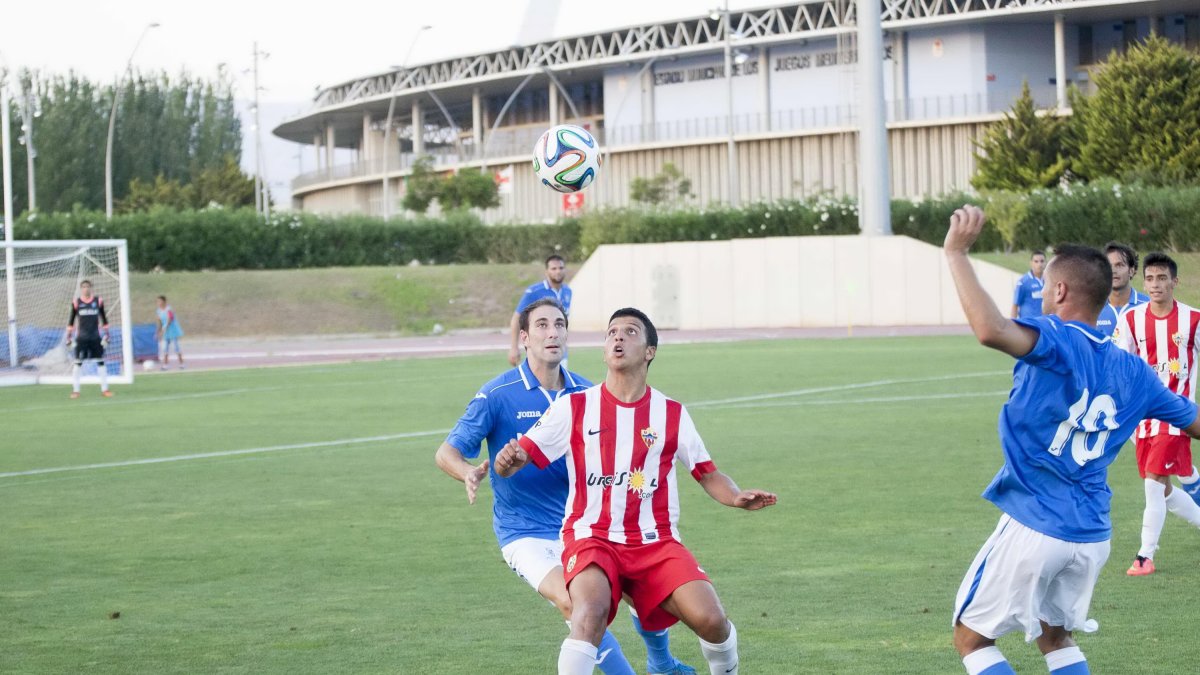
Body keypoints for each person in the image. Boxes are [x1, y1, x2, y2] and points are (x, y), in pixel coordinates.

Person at [945, 205, 1200, 675]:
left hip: (1036, 522)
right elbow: (1196, 421)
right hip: (1092, 535)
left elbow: (991, 330)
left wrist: (957, 254)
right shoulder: (1135, 370)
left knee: (972, 639)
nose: (1043, 293)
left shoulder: (1055, 338)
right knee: (1054, 636)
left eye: (1046, 287)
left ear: (1060, 290)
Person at [494, 307, 777, 675]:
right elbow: (519, 458)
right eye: (612, 331)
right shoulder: (574, 407)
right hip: (592, 537)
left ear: (649, 351)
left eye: (630, 331)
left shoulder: (671, 413)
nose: (618, 337)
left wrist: (735, 496)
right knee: (588, 614)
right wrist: (507, 460)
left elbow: (707, 473)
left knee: (713, 621)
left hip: (655, 543)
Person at [435, 298, 695, 675]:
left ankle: (662, 663)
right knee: (577, 605)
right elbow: (446, 451)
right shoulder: (498, 394)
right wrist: (467, 472)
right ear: (525, 338)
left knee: (643, 587)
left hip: (588, 527)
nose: (553, 332)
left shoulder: (589, 394)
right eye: (542, 325)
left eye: (559, 324)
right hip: (525, 532)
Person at [1113, 252, 1200, 575]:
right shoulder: (1131, 319)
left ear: (1174, 281)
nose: (1155, 284)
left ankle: (1144, 556)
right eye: (1150, 278)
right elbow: (1120, 366)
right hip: (1143, 420)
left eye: (1162, 278)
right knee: (1163, 489)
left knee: (1153, 483)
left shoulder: (1193, 320)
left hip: (1177, 417)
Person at [509, 255, 572, 367]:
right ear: (546, 271)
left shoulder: (568, 291)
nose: (558, 271)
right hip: (540, 349)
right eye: (554, 268)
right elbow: (516, 319)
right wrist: (514, 347)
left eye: (561, 268)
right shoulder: (534, 291)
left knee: (561, 377)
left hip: (560, 349)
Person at [66, 279, 113, 399]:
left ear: (91, 288)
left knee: (101, 362)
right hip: (81, 338)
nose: (86, 289)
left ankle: (105, 389)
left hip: (95, 337)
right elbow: (71, 320)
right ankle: (76, 391)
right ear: (81, 289)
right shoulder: (76, 303)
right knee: (78, 363)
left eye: (88, 286)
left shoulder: (98, 301)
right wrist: (68, 336)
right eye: (83, 287)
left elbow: (104, 318)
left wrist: (107, 334)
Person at [1096, 242, 1148, 337]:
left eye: (1119, 265)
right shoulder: (1093, 308)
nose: (1113, 271)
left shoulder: (1148, 306)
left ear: (1131, 271)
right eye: (1108, 266)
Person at [1011, 251, 1046, 319]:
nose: (1039, 264)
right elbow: (1015, 305)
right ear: (1031, 263)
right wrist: (1013, 323)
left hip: (1044, 322)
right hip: (1028, 322)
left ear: (1046, 262)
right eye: (1036, 261)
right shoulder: (1023, 282)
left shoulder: (1049, 280)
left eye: (1042, 261)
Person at [155, 295, 185, 370]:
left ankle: (182, 364)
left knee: (176, 347)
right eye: (157, 301)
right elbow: (159, 322)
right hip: (166, 332)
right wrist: (158, 332)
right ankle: (165, 365)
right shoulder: (158, 311)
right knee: (165, 348)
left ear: (164, 301)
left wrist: (165, 328)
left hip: (173, 330)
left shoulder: (169, 309)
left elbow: (170, 319)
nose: (158, 303)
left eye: (160, 301)